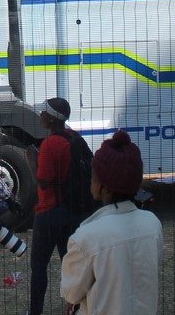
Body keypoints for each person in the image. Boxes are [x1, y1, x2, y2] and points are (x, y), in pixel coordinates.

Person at [60, 130, 163, 315]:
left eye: (93, 176)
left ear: (104, 186)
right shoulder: (152, 224)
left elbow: (71, 293)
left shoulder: (86, 236)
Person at [29, 97, 88, 315]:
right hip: (70, 211)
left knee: (39, 267)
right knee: (69, 264)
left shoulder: (50, 144)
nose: (41, 115)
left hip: (48, 212)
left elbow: (43, 181)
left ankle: (35, 311)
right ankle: (76, 306)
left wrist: (32, 161)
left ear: (52, 119)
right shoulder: (73, 138)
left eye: (43, 113)